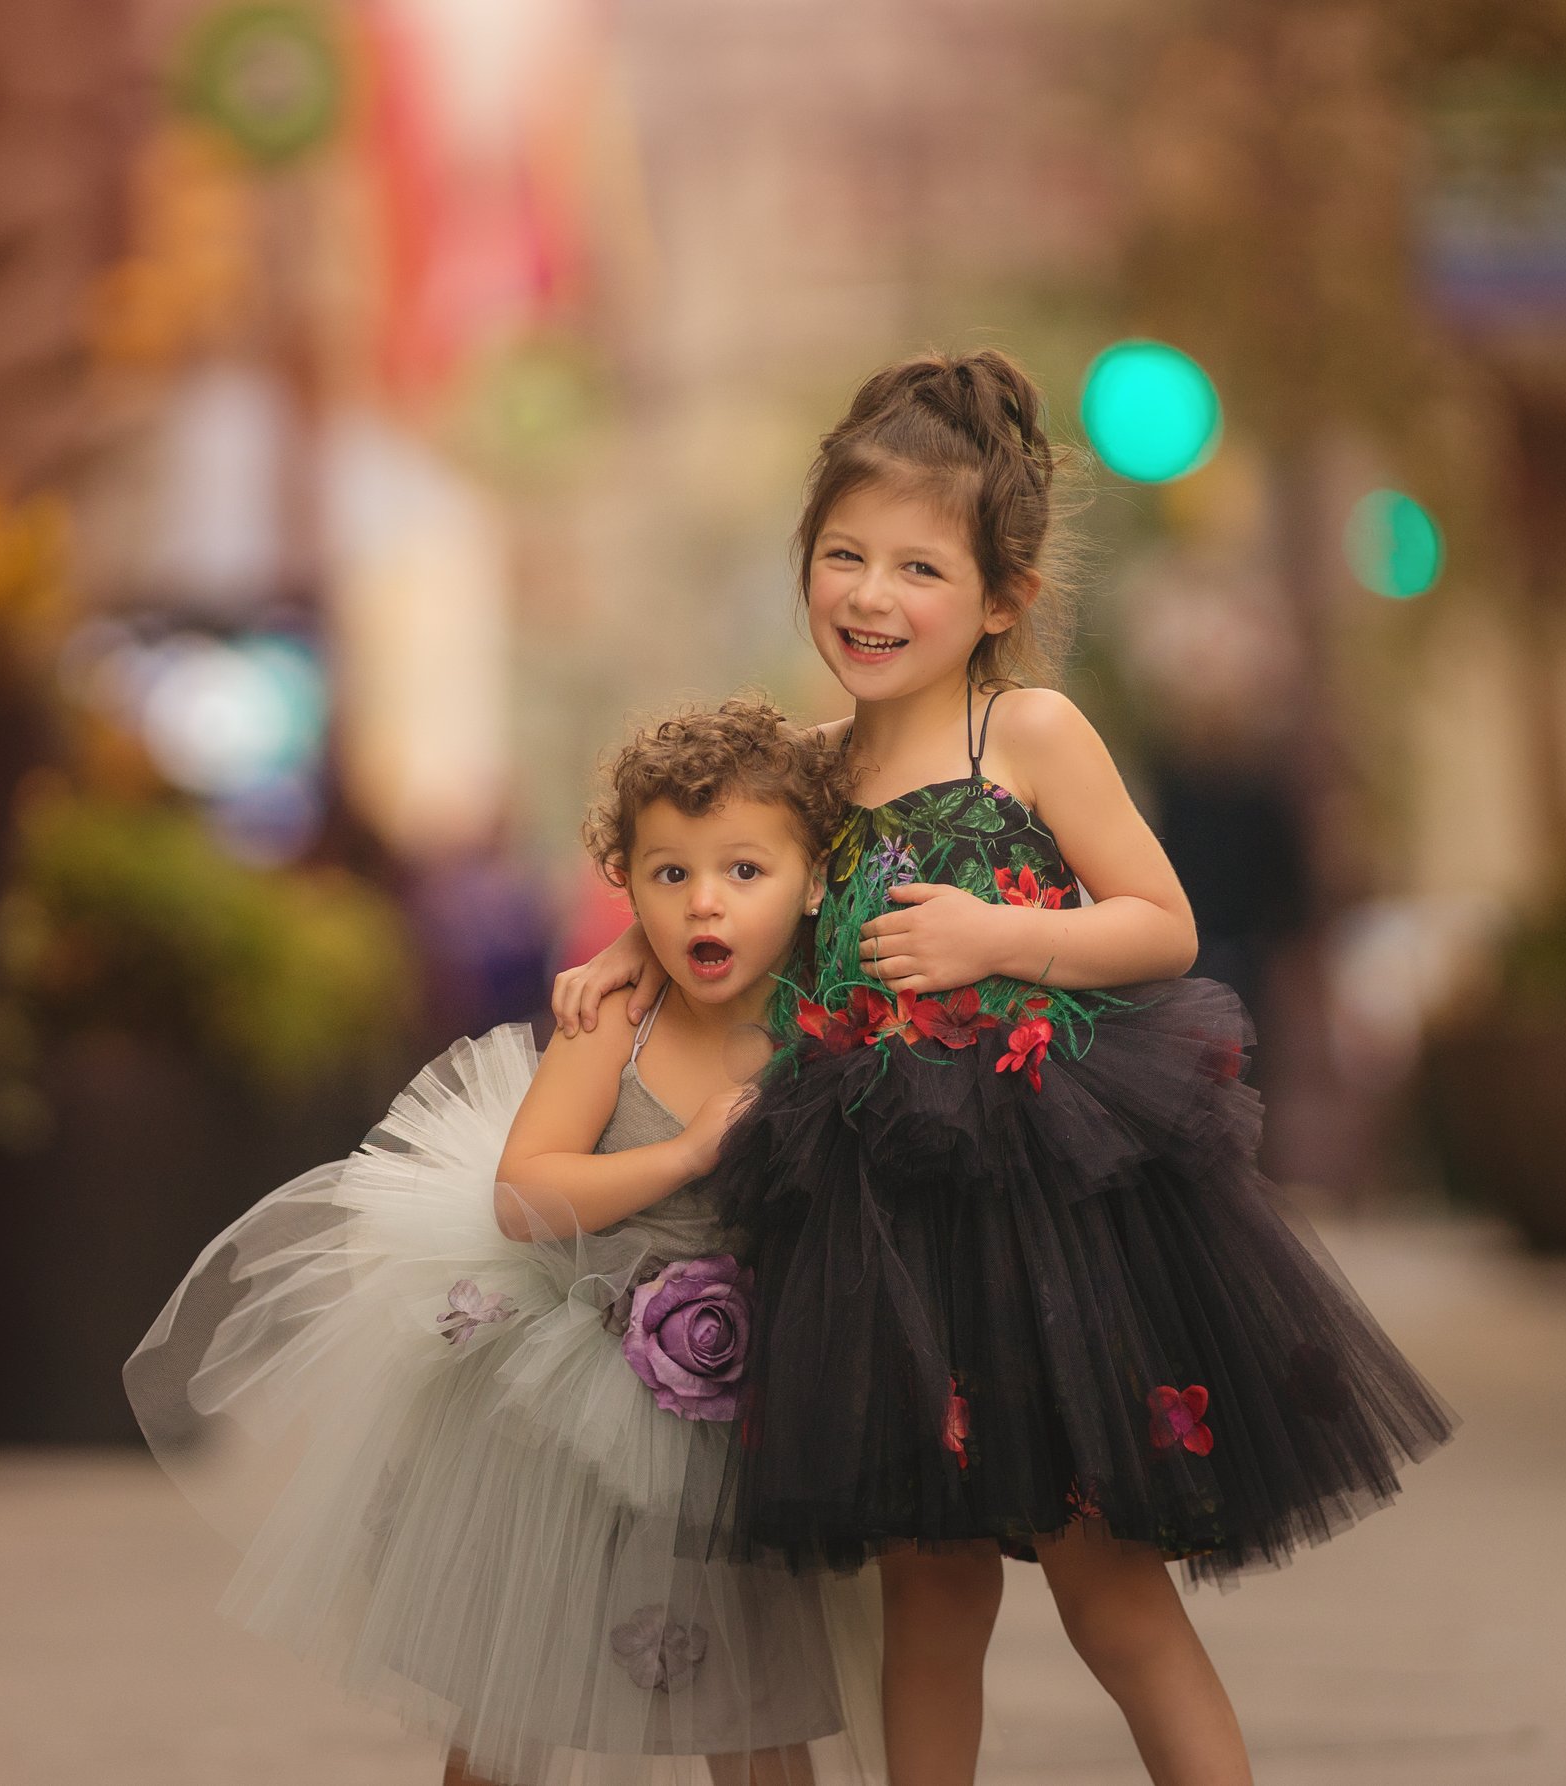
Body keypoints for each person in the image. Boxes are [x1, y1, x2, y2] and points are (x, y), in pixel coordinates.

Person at [555, 353, 1453, 1786]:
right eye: (843, 555)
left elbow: (1163, 925)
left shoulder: (1025, 734)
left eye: (918, 566)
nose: (870, 594)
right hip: (875, 1240)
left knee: (1109, 1587)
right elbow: (722, 898)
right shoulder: (802, 773)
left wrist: (997, 936)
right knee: (931, 1586)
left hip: (1048, 1223)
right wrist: (640, 955)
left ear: (999, 599)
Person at [127, 700, 882, 1786]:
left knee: (758, 1692)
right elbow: (524, 1194)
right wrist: (682, 1156)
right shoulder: (617, 1021)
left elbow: (865, 749)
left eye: (744, 872)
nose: (704, 901)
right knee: (518, 1677)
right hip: (573, 1388)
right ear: (625, 883)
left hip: (746, 1405)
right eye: (668, 876)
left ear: (814, 881)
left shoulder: (826, 1019)